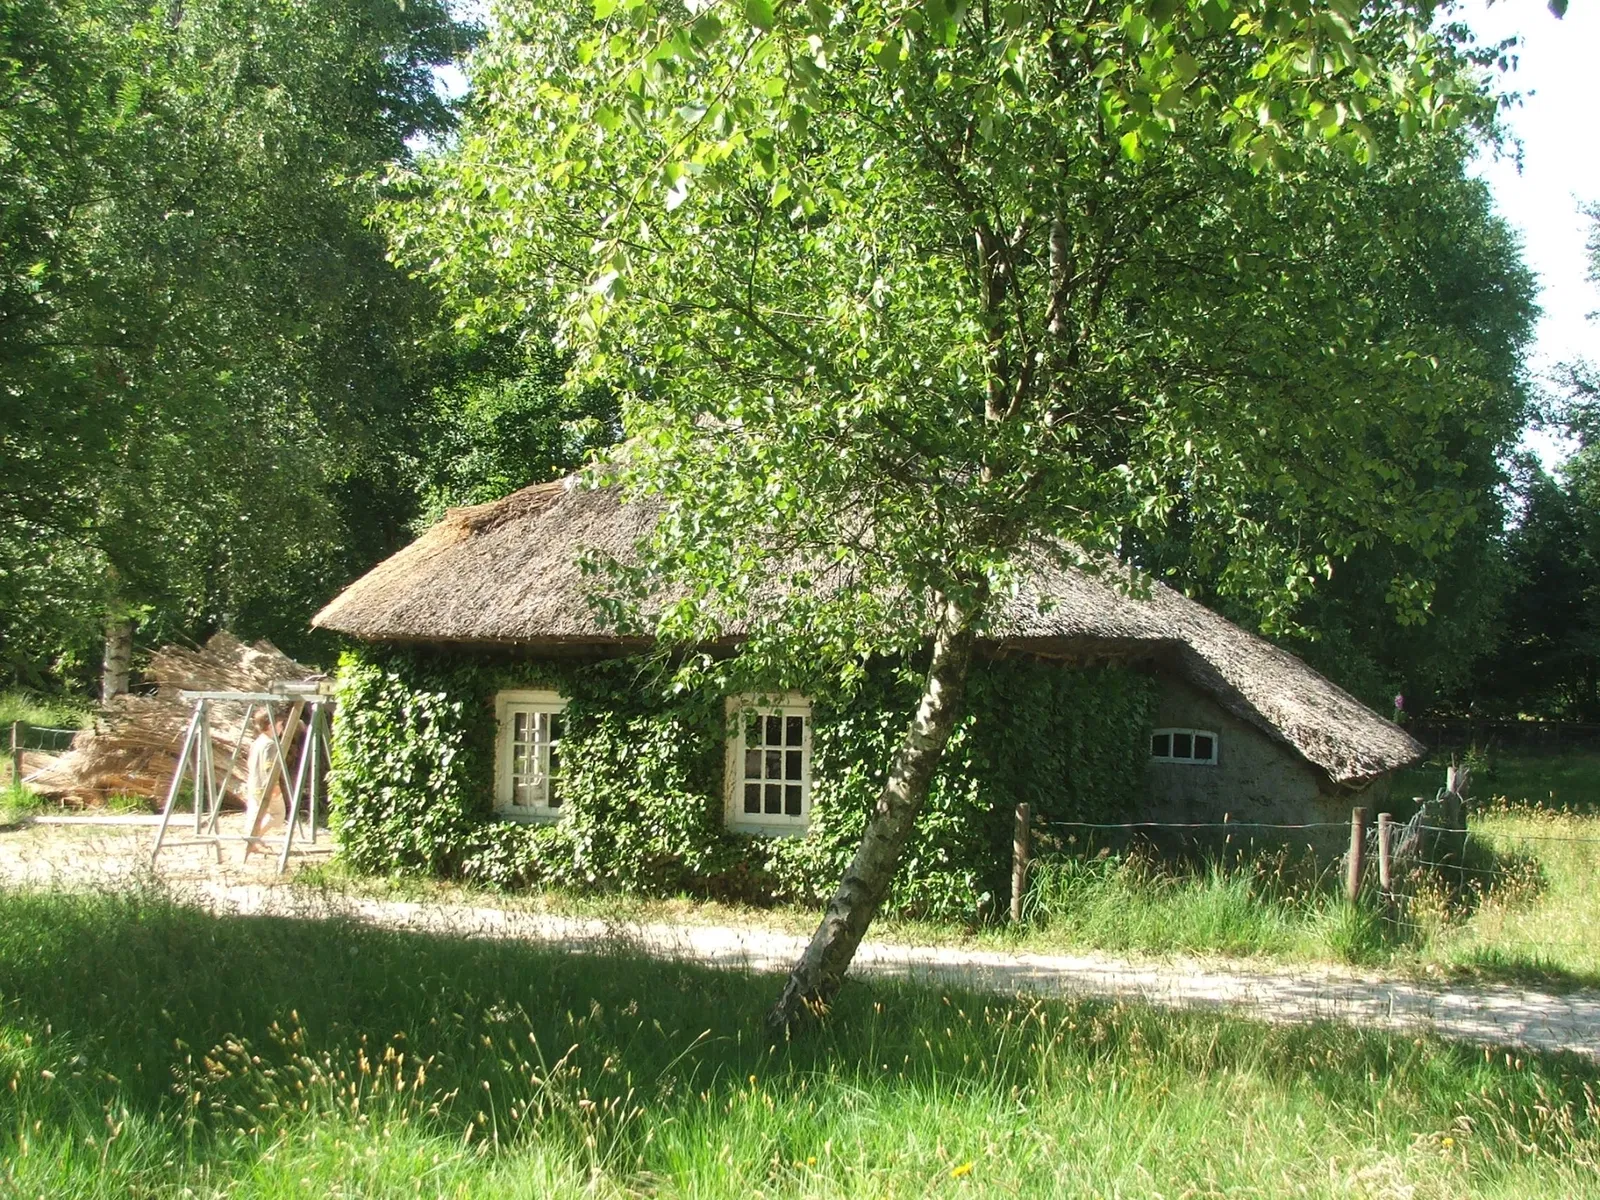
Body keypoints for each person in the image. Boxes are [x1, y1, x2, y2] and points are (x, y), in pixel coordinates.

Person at [243, 709, 285, 850]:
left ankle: (253, 839)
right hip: (265, 786)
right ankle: (254, 838)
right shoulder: (270, 744)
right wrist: (275, 786)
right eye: (280, 725)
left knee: (256, 814)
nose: (282, 728)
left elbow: (249, 762)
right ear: (271, 726)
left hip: (254, 783)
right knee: (278, 814)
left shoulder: (257, 742)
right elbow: (269, 767)